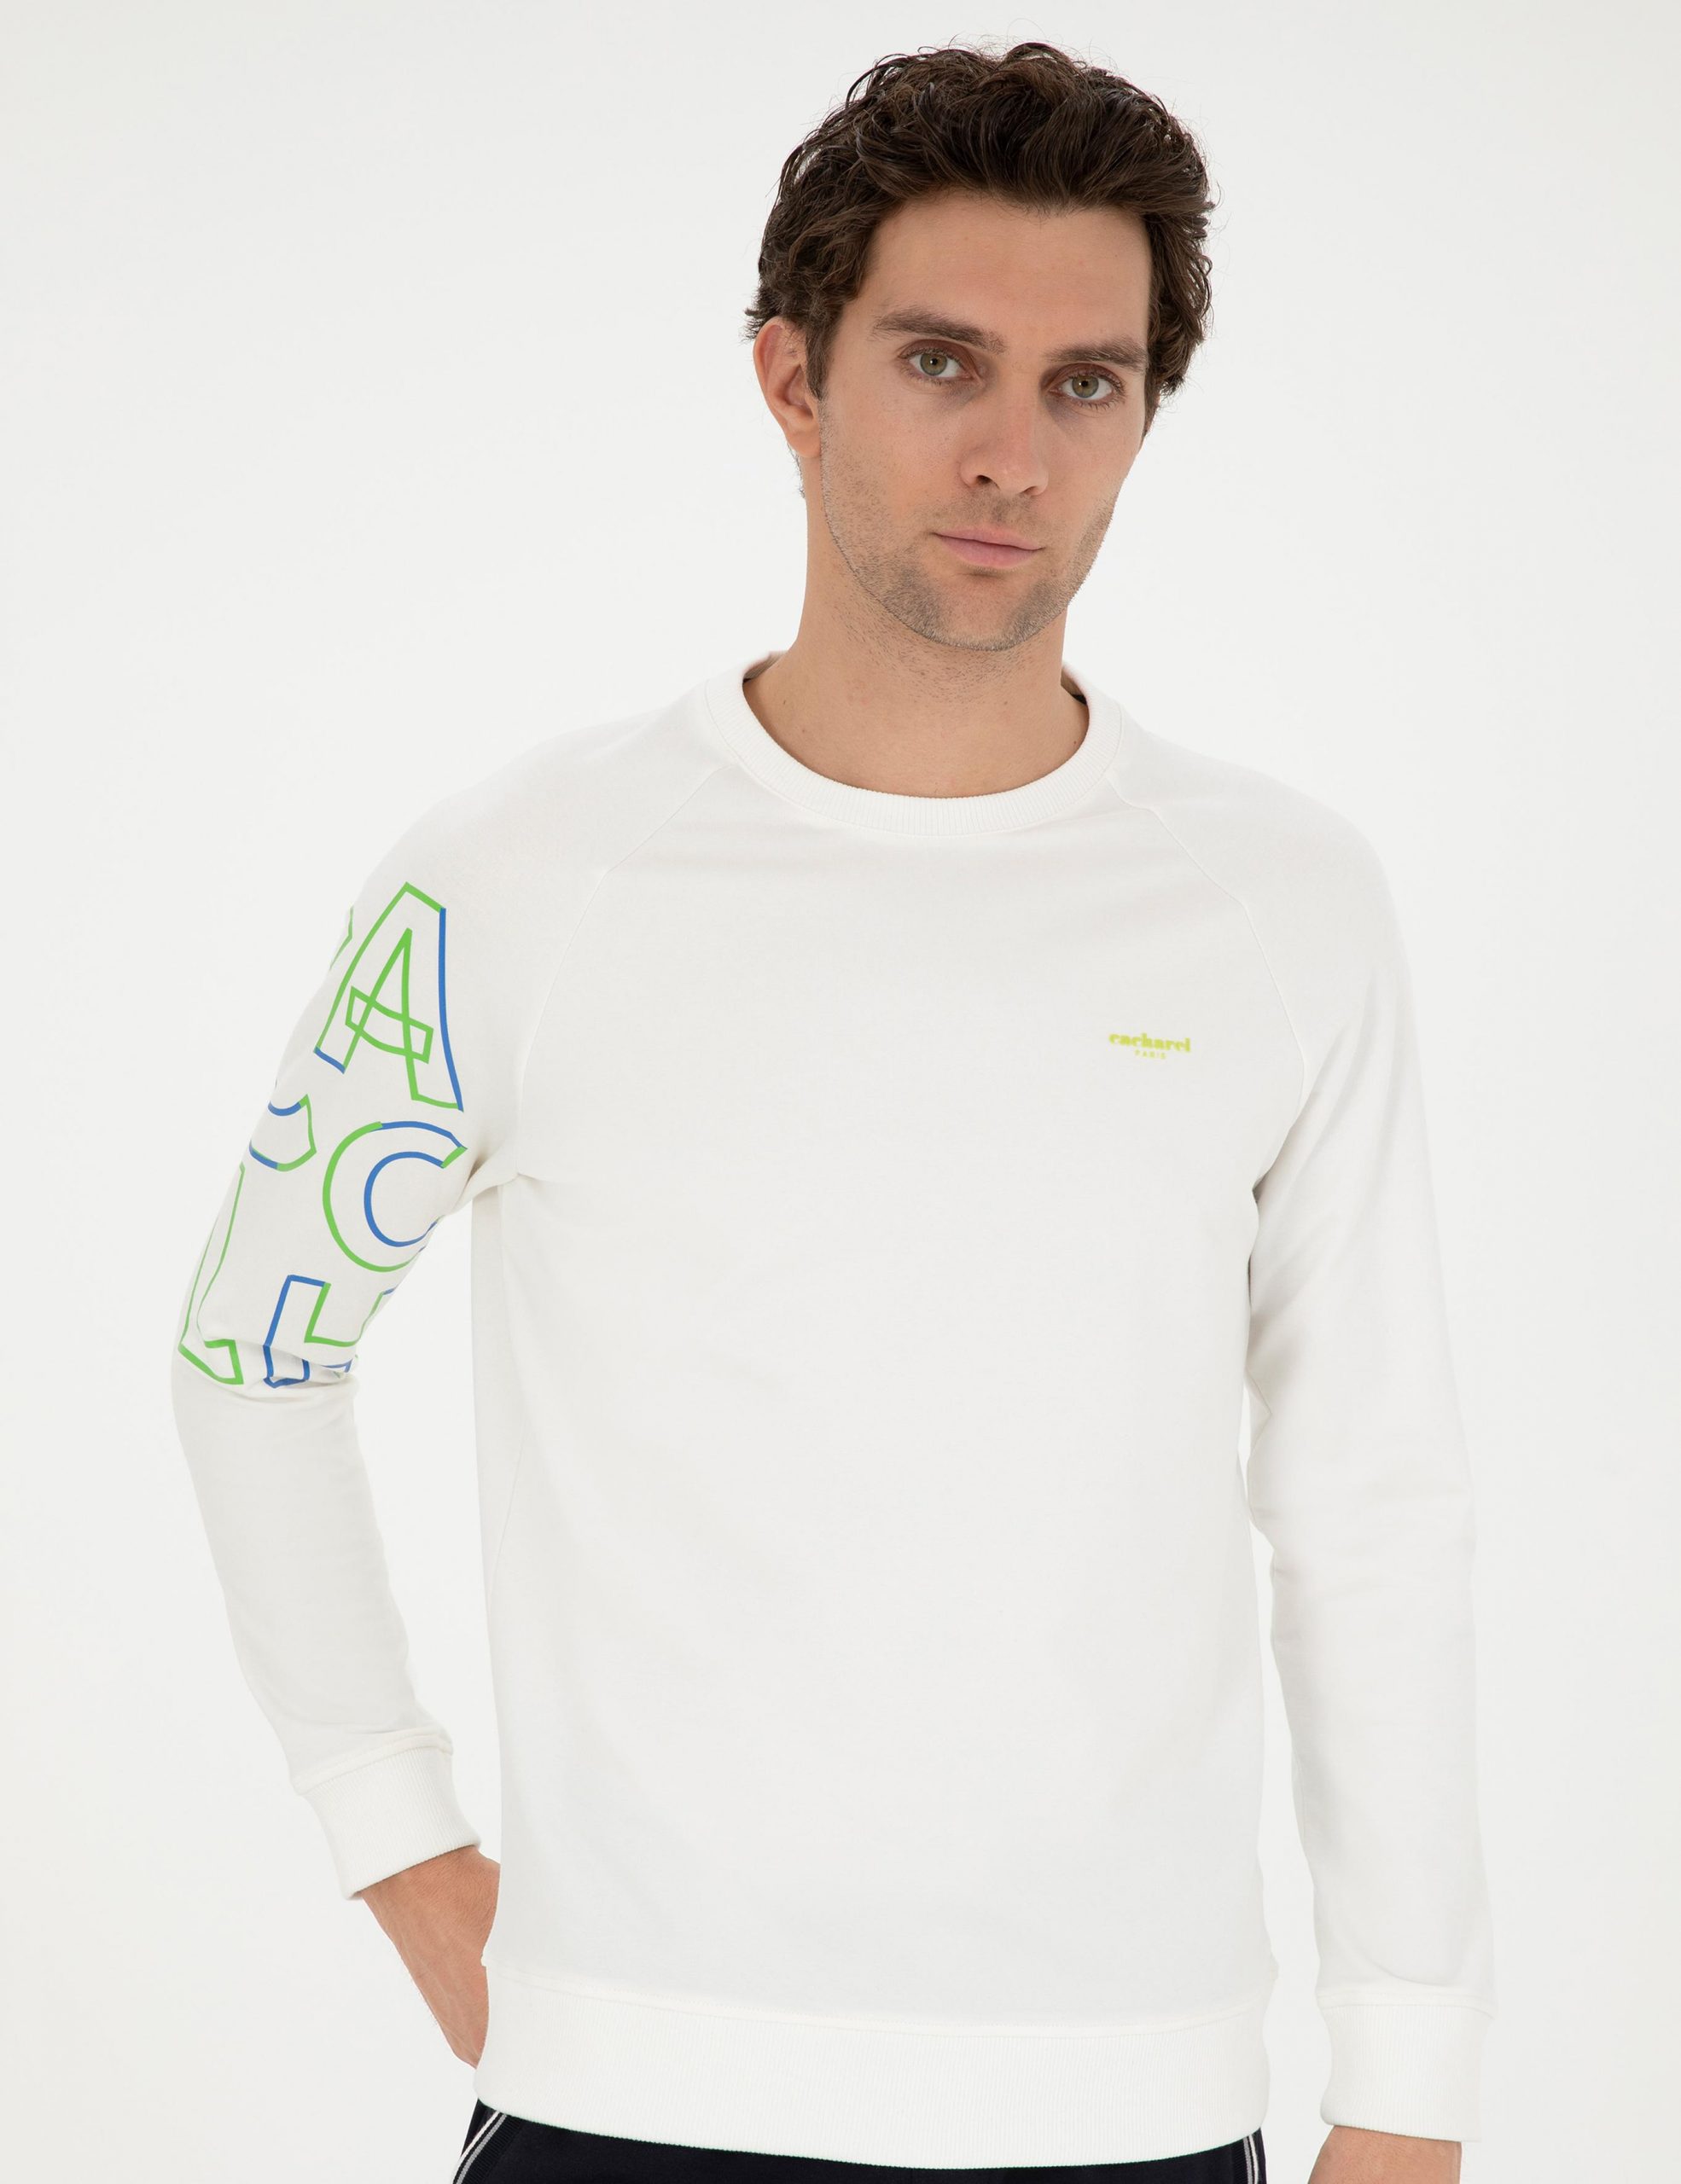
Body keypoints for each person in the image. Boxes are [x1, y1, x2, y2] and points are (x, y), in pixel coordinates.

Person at [170, 39, 1494, 2184]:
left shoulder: (1282, 902)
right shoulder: (518, 877)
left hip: (1132, 2101)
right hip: (627, 2096)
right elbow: (252, 1345)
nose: (1012, 452)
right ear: (793, 377)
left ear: (1145, 414)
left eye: (1085, 383)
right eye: (939, 361)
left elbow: (1371, 1500)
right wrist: (396, 1837)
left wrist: (1406, 2081)